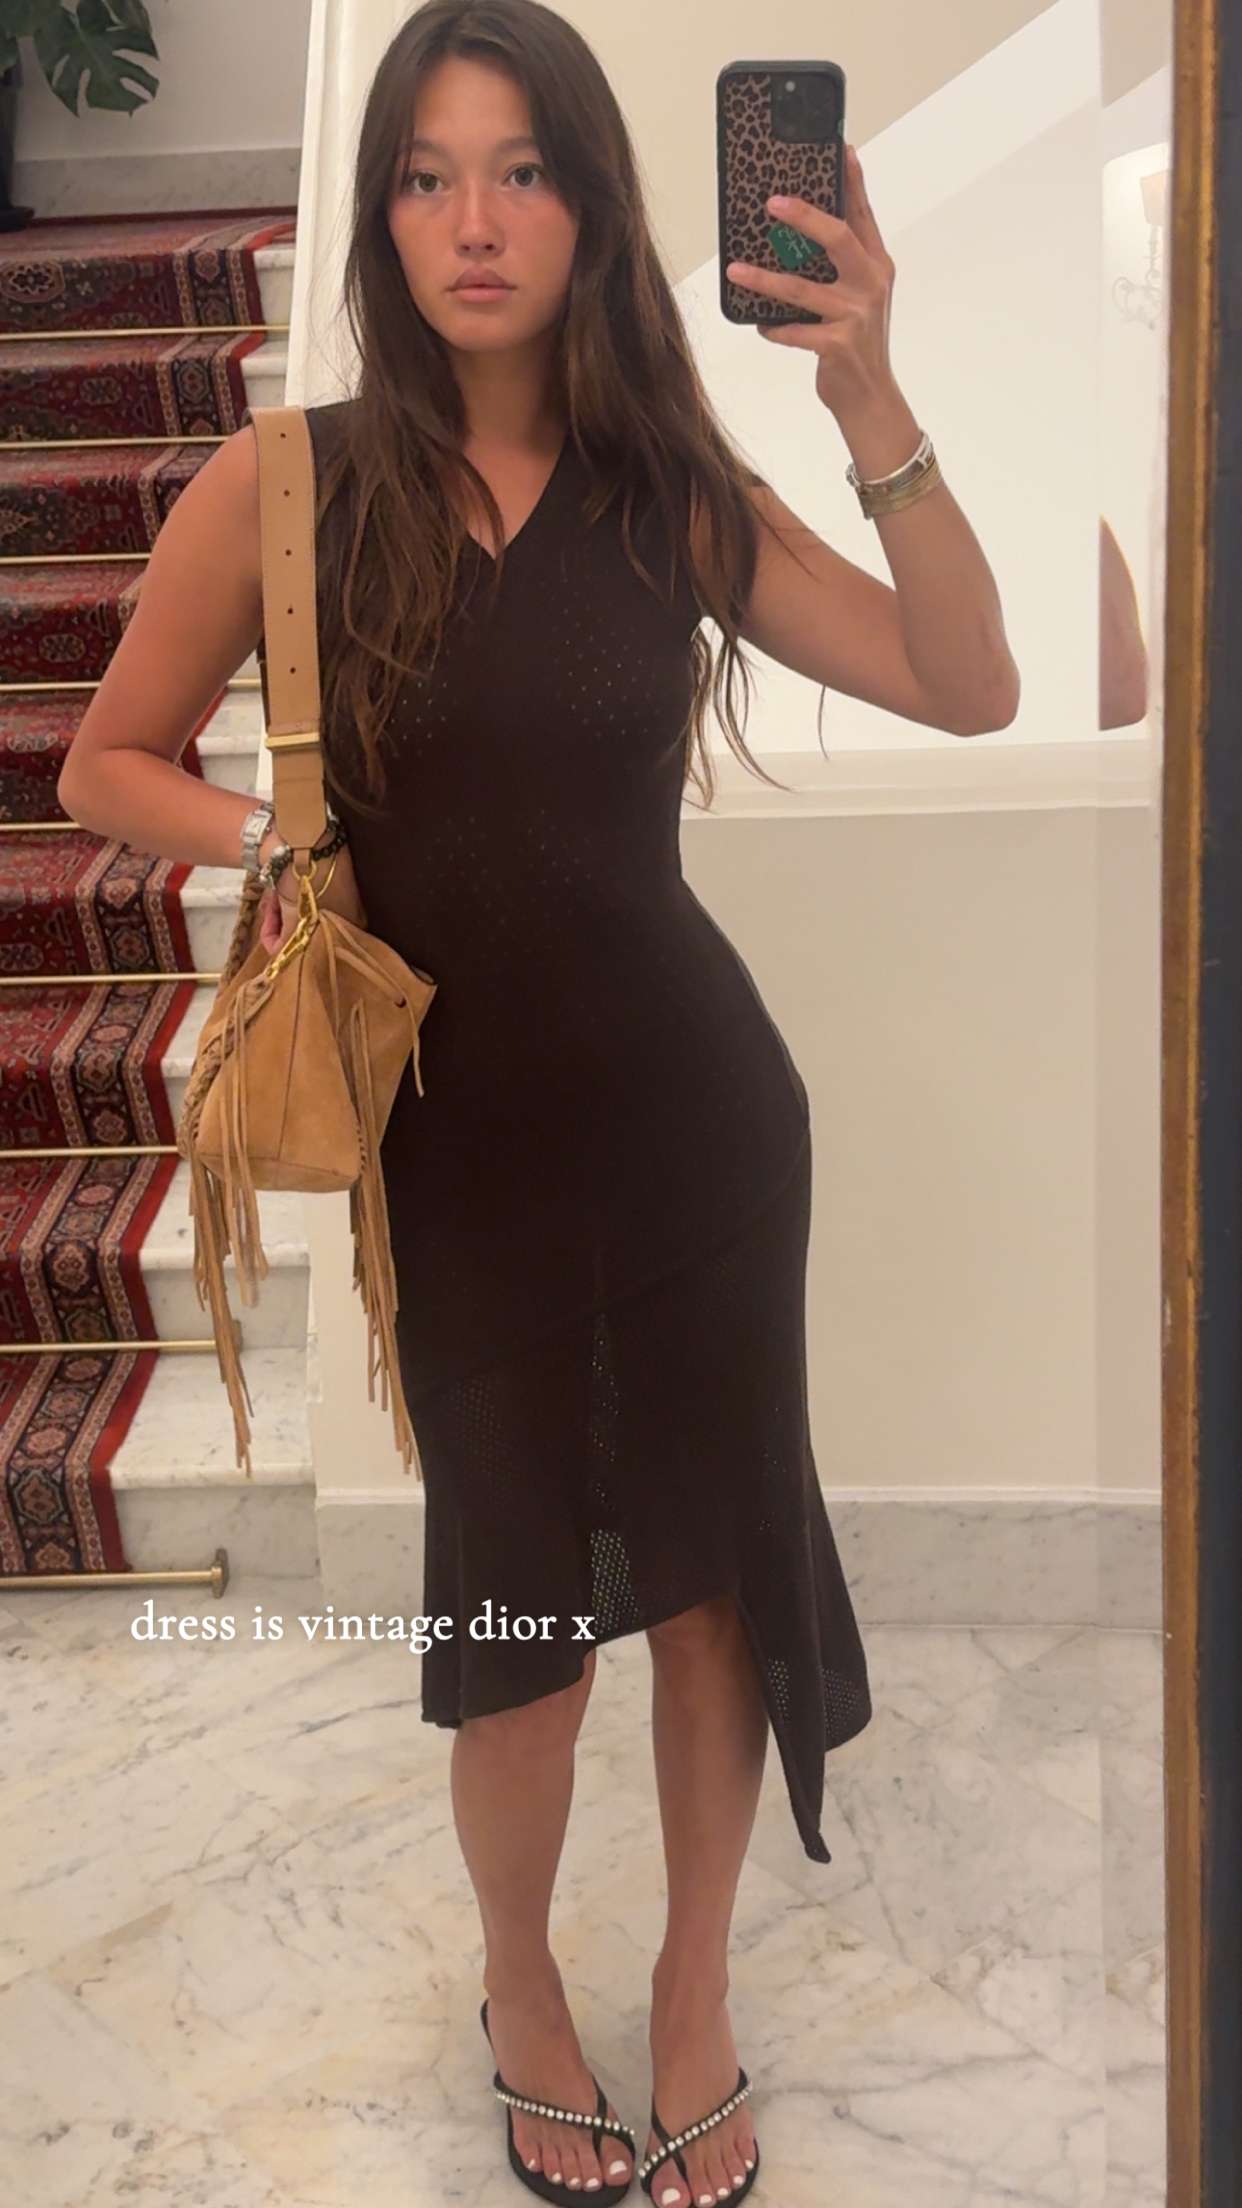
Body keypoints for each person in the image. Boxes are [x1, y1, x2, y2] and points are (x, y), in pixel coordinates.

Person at [58, 6, 1019, 2203]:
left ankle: (690, 1986)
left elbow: (967, 685)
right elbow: (107, 758)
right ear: (382, 214)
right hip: (456, 1142)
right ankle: (516, 1980)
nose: (472, 221)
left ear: (591, 207)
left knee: (708, 1594)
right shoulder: (280, 486)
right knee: (518, 1629)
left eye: (521, 171)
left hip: (699, 1128)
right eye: (425, 175)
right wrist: (279, 846)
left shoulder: (666, 484)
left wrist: (866, 391)